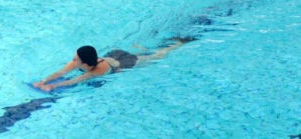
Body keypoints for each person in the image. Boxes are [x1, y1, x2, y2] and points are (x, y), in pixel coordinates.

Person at [33, 40, 189, 92]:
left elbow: (75, 80)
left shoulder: (98, 71)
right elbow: (60, 72)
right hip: (113, 55)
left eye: (76, 59)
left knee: (156, 56)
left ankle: (176, 45)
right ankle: (142, 48)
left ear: (85, 63)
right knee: (145, 53)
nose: (73, 60)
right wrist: (44, 81)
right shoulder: (78, 61)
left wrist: (53, 87)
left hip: (123, 63)